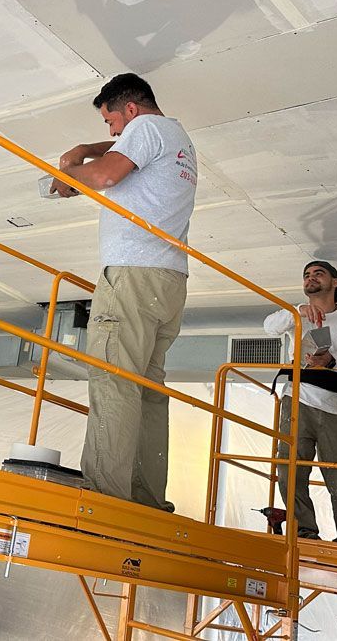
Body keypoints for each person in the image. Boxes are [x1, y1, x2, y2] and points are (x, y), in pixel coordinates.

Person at [54, 73, 197, 509]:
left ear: (130, 109)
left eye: (111, 122)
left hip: (134, 278)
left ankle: (103, 495)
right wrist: (86, 148)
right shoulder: (177, 136)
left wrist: (70, 174)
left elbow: (104, 176)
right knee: (147, 390)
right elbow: (115, 152)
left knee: (114, 380)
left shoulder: (146, 130)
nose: (112, 133)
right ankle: (145, 497)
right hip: (169, 280)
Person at [263, 261, 337, 545]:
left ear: (334, 282)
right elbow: (268, 327)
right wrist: (297, 313)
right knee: (289, 470)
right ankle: (303, 531)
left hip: (333, 405)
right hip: (295, 399)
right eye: (306, 275)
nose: (310, 278)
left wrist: (331, 360)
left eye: (318, 273)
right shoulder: (295, 315)